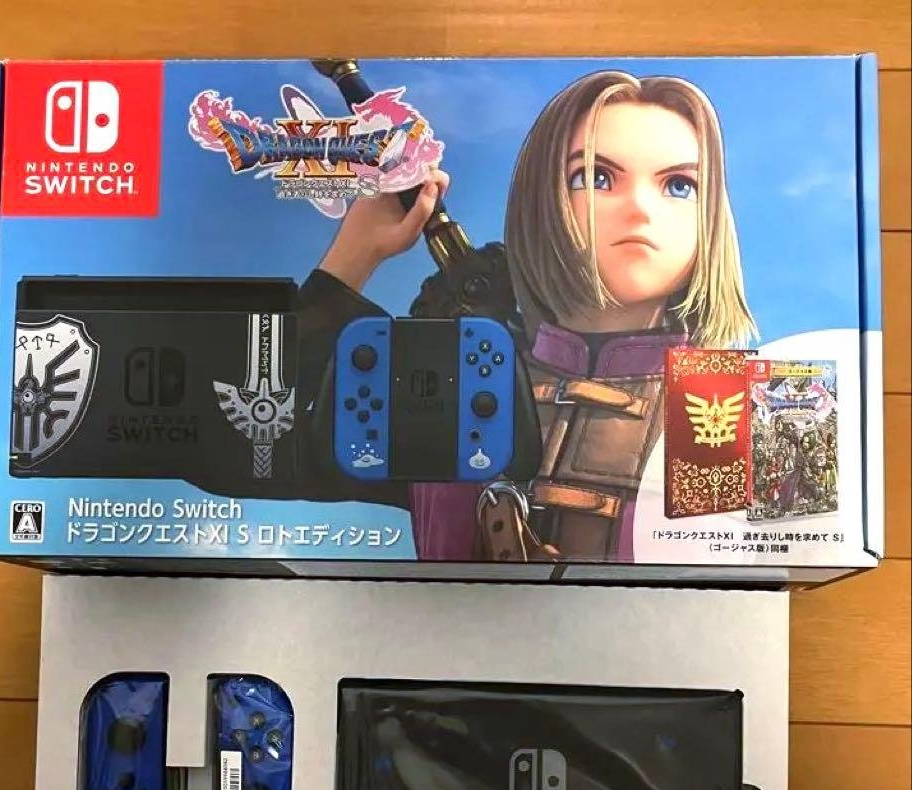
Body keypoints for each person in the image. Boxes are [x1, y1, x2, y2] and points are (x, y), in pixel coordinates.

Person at [298, 69, 757, 561]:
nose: (640, 208)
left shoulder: (722, 398)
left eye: (680, 185)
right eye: (595, 178)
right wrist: (356, 252)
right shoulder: (462, 379)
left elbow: (731, 582)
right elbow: (262, 444)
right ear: (543, 199)